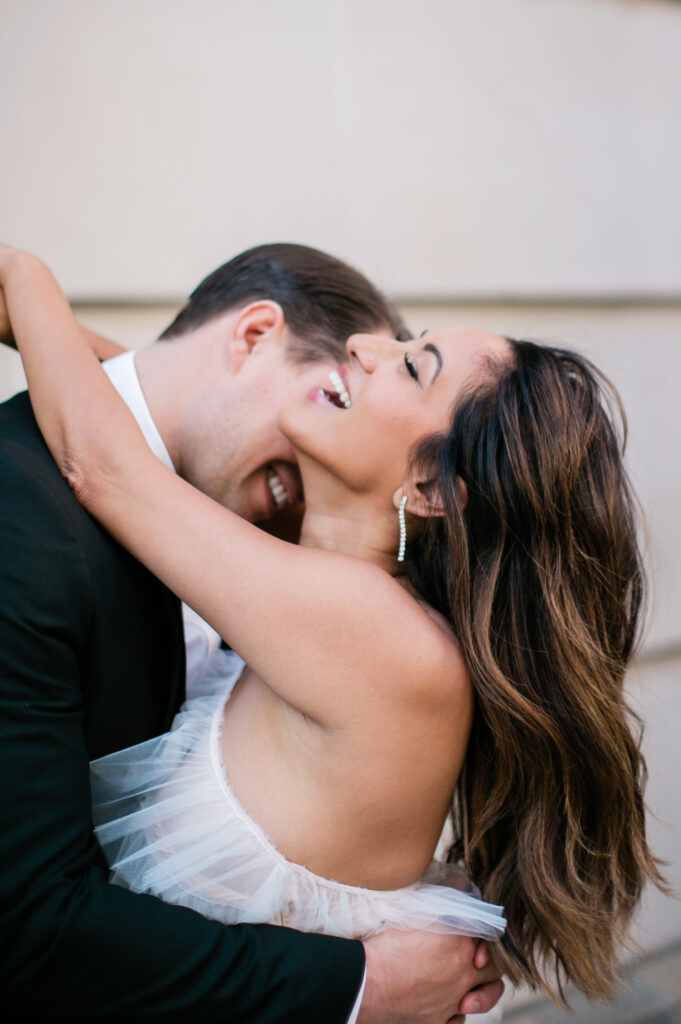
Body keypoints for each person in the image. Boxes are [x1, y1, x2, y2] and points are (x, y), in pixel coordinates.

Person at [1, 246, 665, 1014]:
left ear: (432, 487)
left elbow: (111, 466)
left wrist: (24, 279)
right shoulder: (319, 577)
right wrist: (95, 345)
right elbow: (161, 415)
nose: (365, 347)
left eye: (413, 366)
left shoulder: (363, 630)